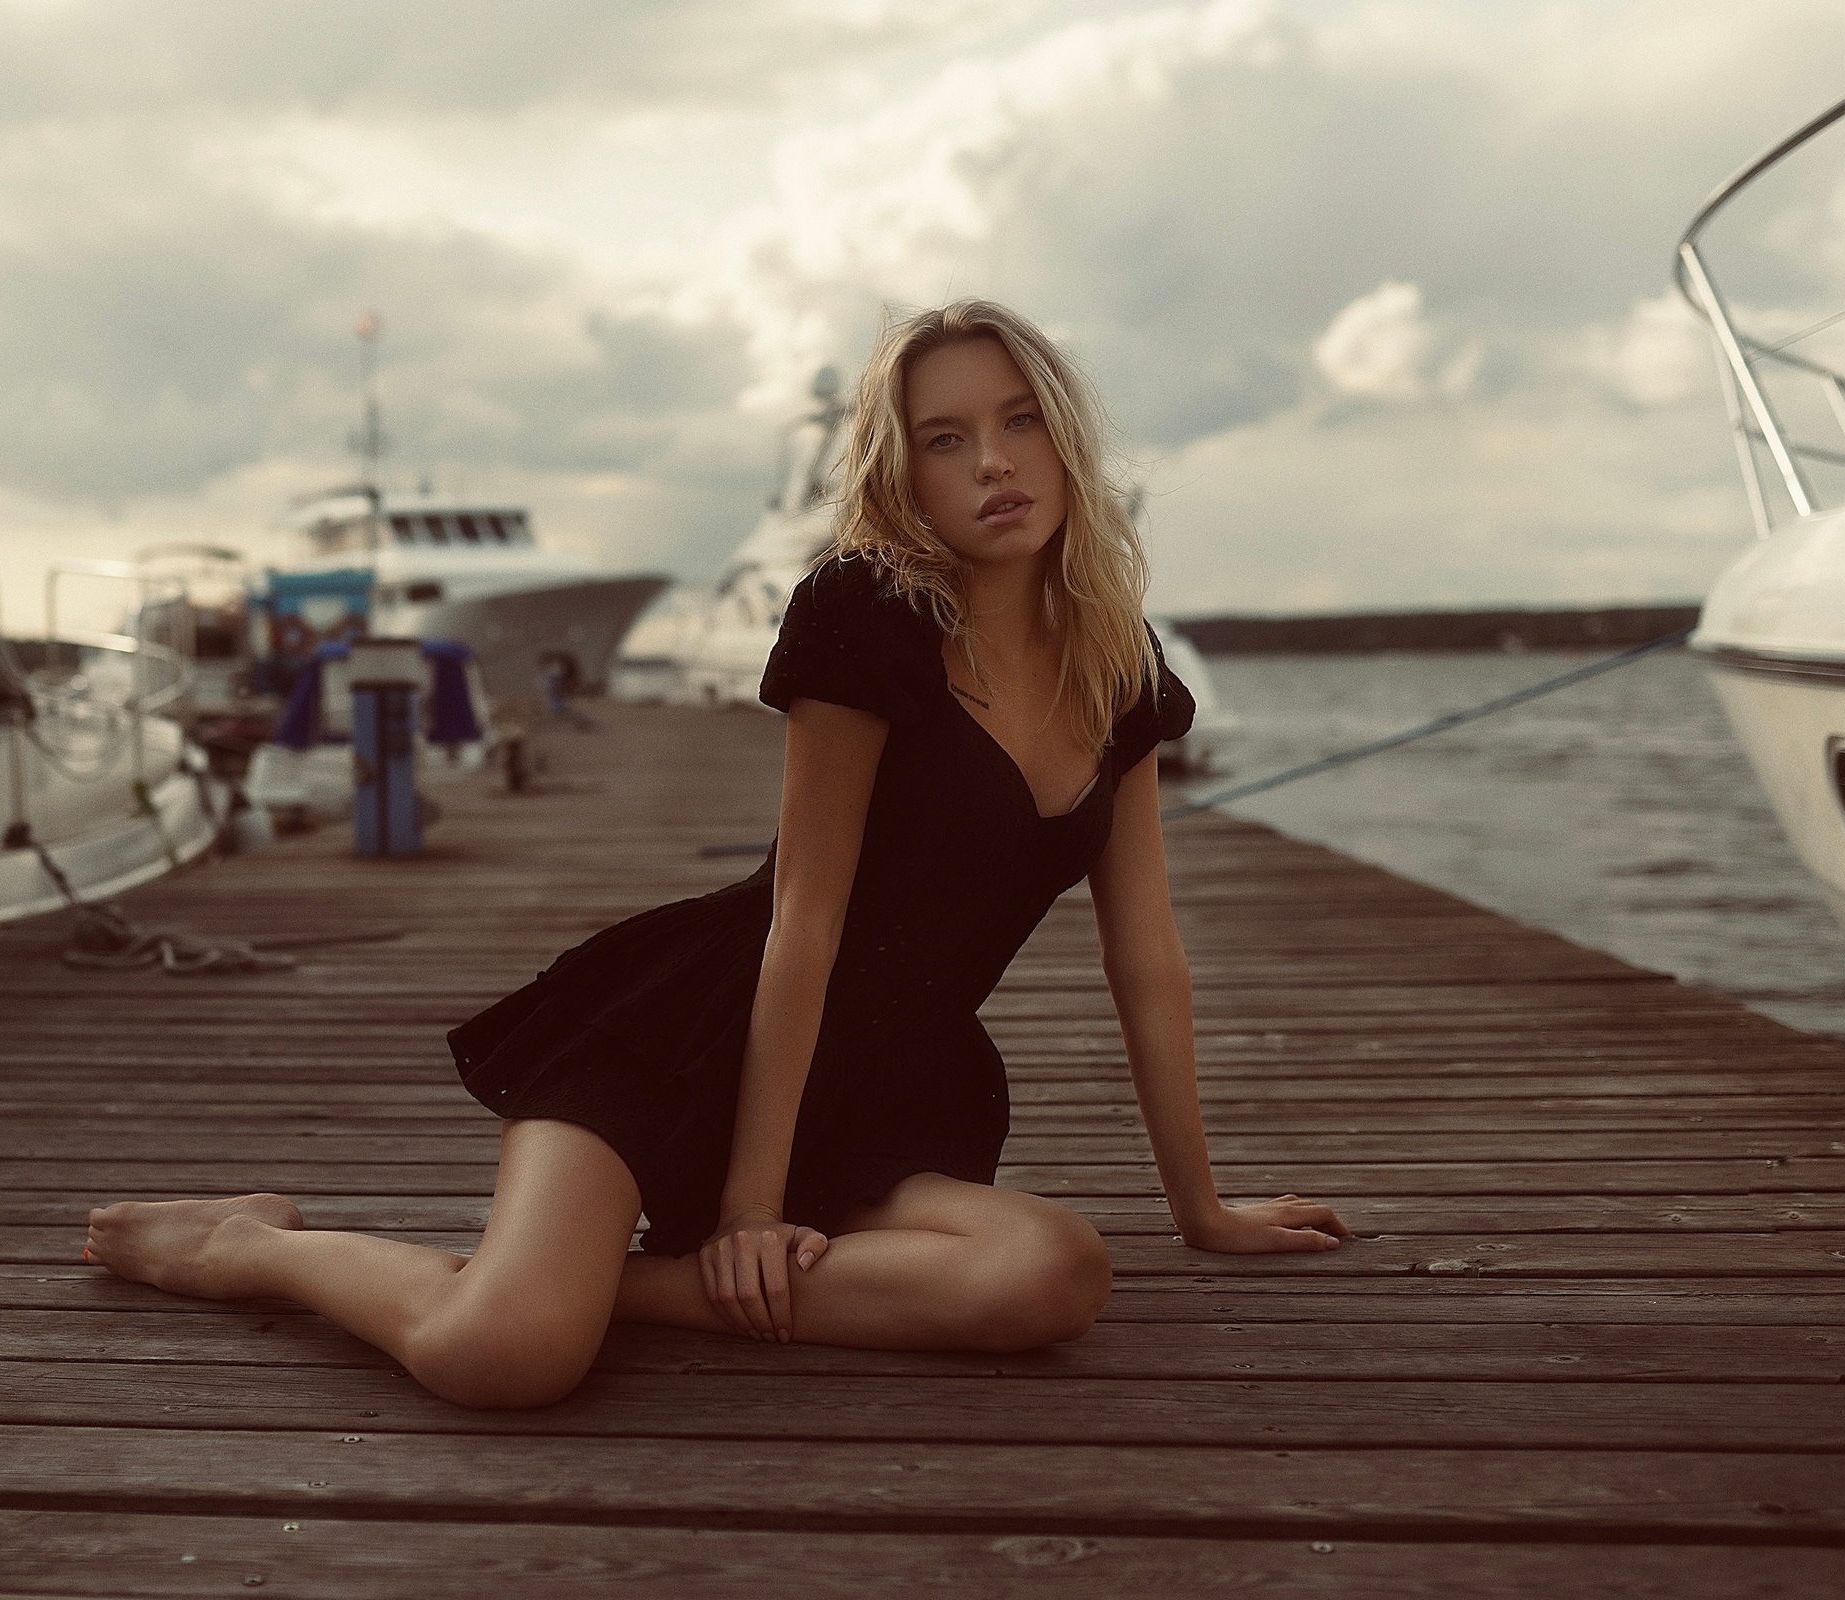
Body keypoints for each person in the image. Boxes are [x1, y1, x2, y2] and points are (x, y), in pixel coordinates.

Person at [85, 299, 1348, 1409]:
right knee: (506, 1357)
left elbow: (1147, 956)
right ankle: (253, 1248)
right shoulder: (865, 614)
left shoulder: (1120, 671)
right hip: (693, 1034)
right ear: (902, 473)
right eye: (944, 438)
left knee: (1050, 1273)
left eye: (1019, 423)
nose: (993, 464)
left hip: (892, 1092)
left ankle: (616, 1287)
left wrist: (1202, 1208)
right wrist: (748, 1208)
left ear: (1065, 441)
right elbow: (804, 911)